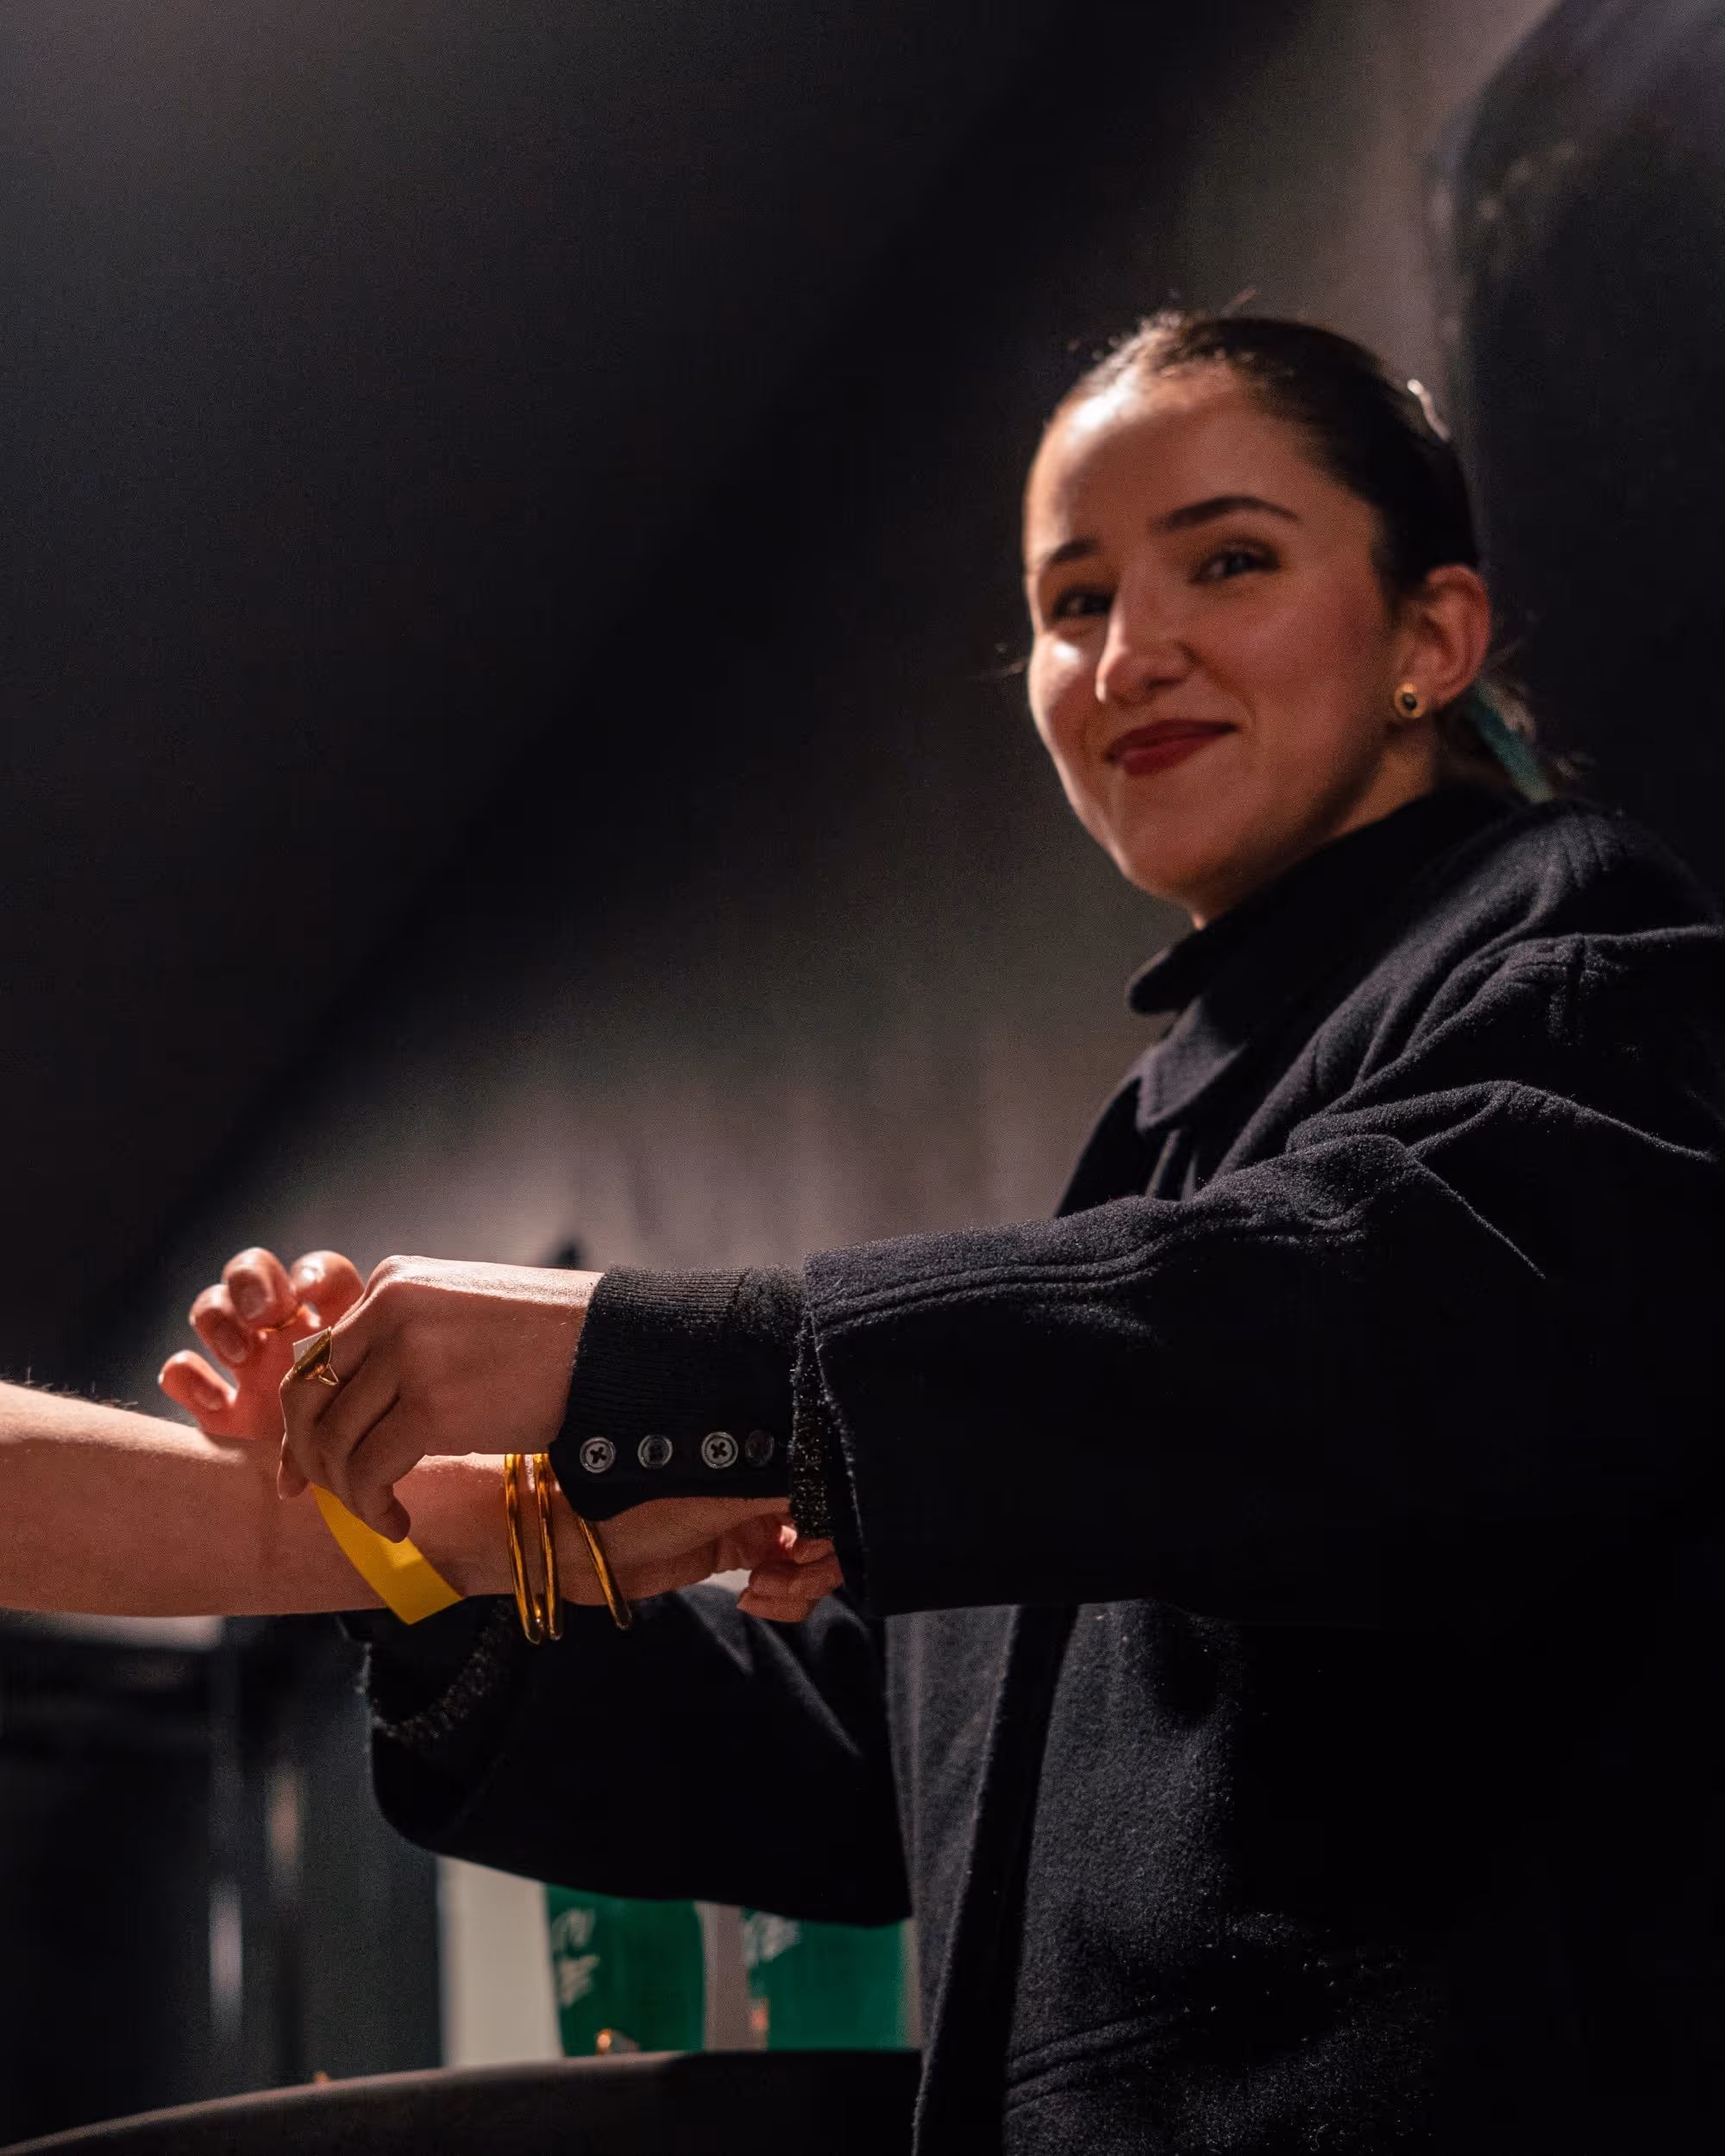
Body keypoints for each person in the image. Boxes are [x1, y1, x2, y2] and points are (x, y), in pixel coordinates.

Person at [169, 316, 1725, 2153]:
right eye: (1071, 603)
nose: (1126, 652)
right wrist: (426, 1571)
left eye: (1227, 559)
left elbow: (1376, 1341)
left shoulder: (1575, 935)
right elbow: (893, 1766)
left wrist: (664, 1356)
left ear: (1430, 634)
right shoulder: (1151, 1144)